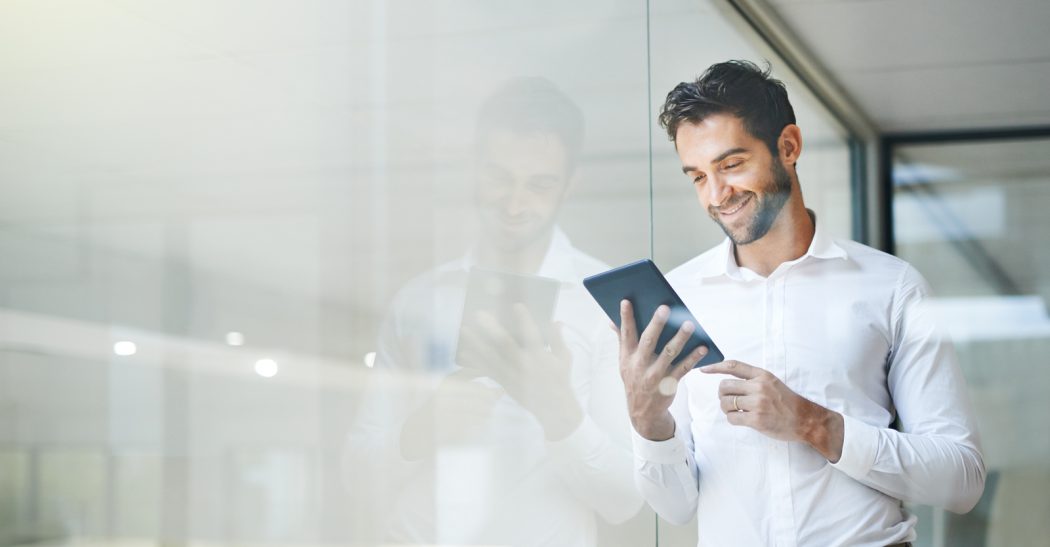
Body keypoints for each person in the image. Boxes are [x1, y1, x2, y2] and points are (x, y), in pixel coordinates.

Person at [617, 60, 986, 546]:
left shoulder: (891, 288)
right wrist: (648, 421)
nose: (717, 195)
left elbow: (961, 480)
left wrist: (813, 423)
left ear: (788, 146)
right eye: (698, 177)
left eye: (731, 165)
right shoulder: (679, 299)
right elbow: (677, 506)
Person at [343, 77, 642, 546]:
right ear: (473, 168)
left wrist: (558, 412)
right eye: (498, 178)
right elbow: (356, 476)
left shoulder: (605, 306)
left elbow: (626, 501)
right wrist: (420, 431)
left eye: (539, 185)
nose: (515, 204)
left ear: (569, 185)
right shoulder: (419, 300)